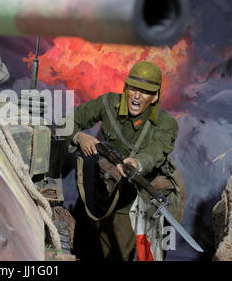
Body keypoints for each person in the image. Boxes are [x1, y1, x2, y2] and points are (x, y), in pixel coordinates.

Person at [65, 61, 184, 261]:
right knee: (83, 247)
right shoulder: (108, 103)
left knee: (122, 253)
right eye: (133, 89)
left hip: (137, 198)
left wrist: (136, 164)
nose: (137, 96)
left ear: (155, 97)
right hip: (102, 191)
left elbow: (155, 151)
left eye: (145, 92)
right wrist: (79, 137)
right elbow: (67, 122)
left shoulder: (166, 124)